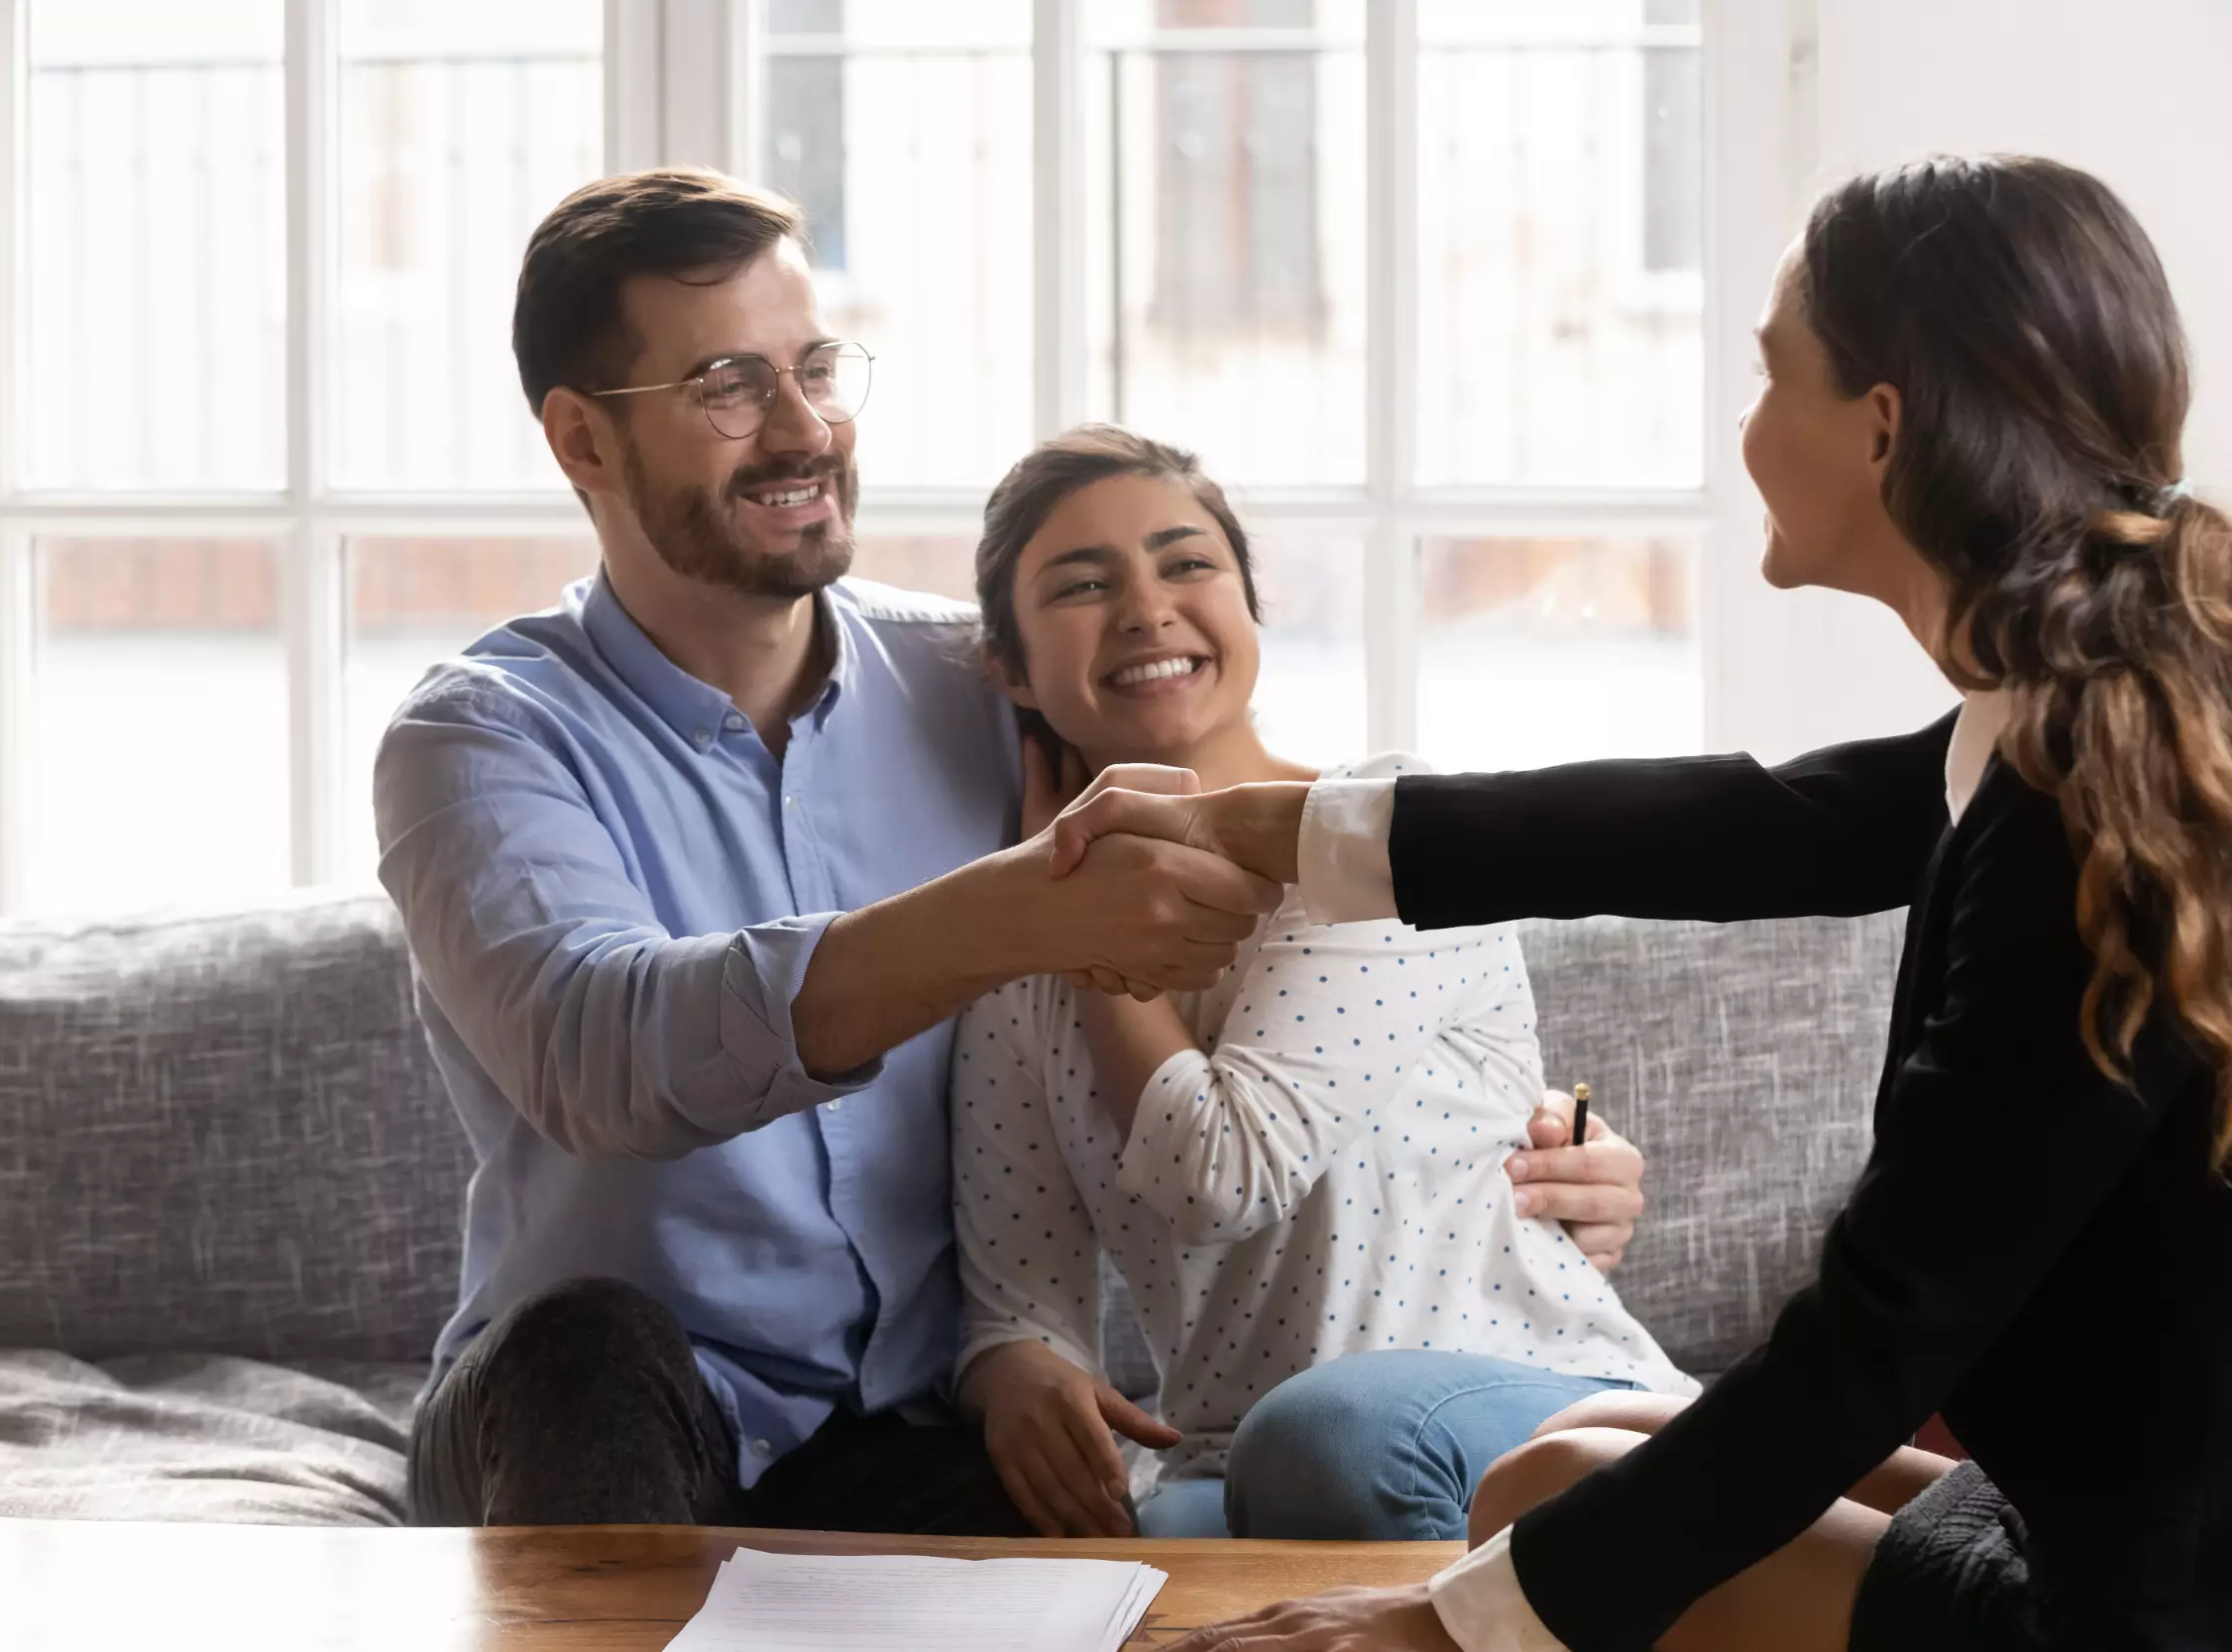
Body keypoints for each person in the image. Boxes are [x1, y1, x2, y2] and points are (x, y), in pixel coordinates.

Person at [1060, 155, 2232, 1651]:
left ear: (1883, 427)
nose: (1743, 425)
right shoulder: (2092, 710)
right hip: (2183, 1505)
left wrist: (1436, 1630)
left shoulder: (2093, 809)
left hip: (2202, 1603)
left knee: (1529, 1561)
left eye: (1772, 375)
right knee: (1543, 1483)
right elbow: (1754, 820)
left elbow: (1880, 1327)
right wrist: (1281, 829)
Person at [376, 166, 1643, 1536]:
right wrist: (1018, 912)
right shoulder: (481, 741)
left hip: (909, 1419)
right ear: (583, 442)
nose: (803, 428)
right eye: (729, 385)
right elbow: (603, 1051)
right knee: (593, 1347)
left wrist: (1542, 1137)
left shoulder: (996, 689)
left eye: (816, 366)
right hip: (600, 1397)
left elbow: (1271, 832)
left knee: (1131, 1544)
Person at [948, 427, 1695, 1544]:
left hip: (1535, 1410)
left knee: (1331, 1432)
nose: (1146, 606)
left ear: (1249, 605)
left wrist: (1080, 918)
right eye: (1083, 583)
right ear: (1006, 665)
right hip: (1234, 1457)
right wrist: (1007, 1361)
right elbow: (1019, 1297)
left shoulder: (1384, 841)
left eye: (1186, 562)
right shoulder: (1011, 984)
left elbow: (1224, 1170)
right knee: (1148, 1565)